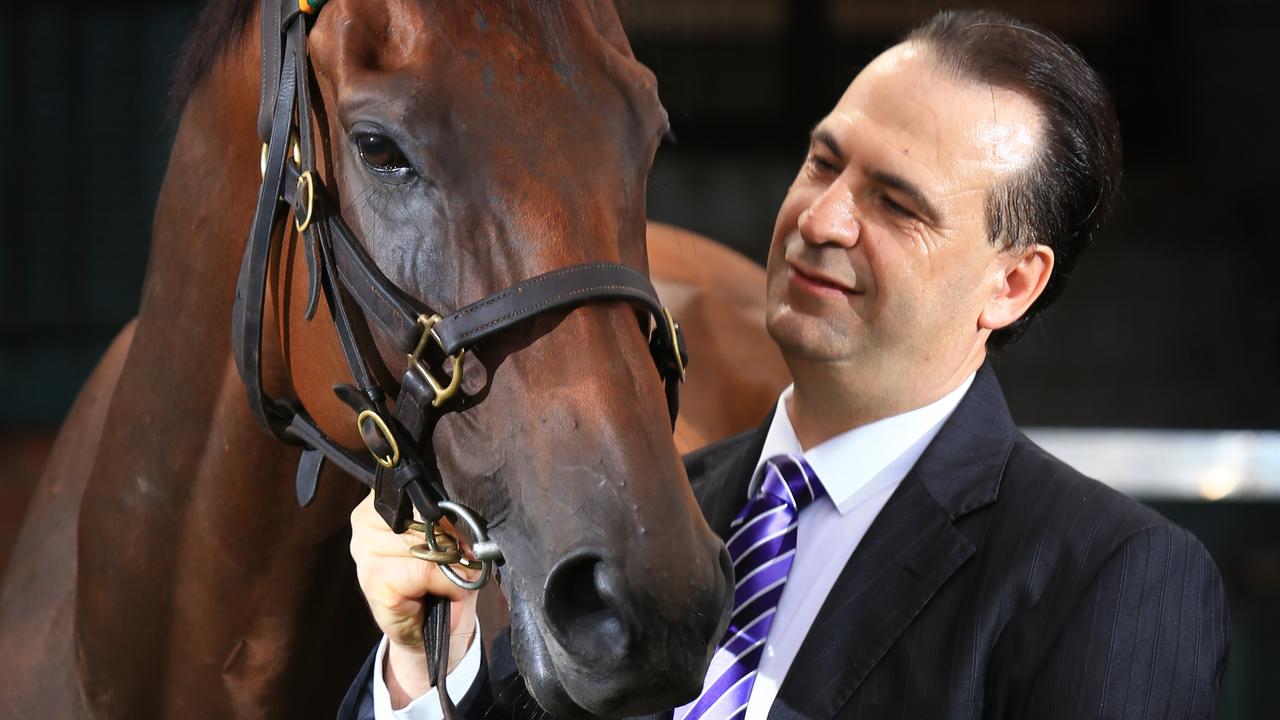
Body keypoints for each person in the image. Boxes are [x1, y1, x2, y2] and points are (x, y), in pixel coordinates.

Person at [340, 9, 1229, 720]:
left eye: (896, 204)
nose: (823, 218)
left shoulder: (1115, 579)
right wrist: (420, 671)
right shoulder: (651, 519)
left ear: (1010, 285)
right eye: (824, 161)